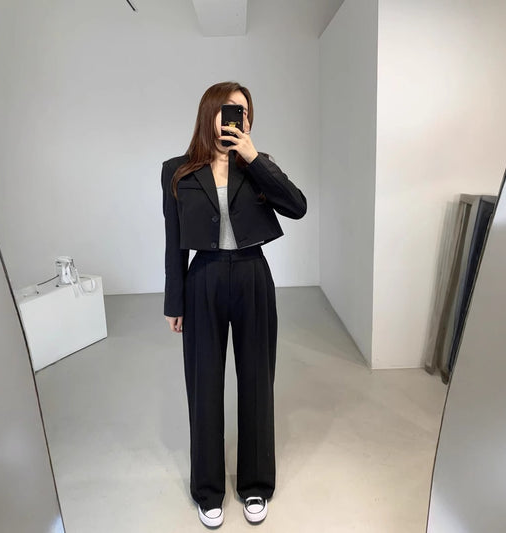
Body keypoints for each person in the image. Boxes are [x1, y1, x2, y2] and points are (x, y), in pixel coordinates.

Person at [161, 81, 307, 528]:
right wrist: (174, 301)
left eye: (243, 112)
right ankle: (207, 490)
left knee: (257, 381)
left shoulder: (258, 165)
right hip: (202, 279)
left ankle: (256, 485)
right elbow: (172, 240)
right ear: (210, 113)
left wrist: (252, 156)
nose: (237, 118)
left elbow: (297, 207)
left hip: (252, 276)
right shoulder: (177, 171)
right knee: (204, 385)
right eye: (229, 110)